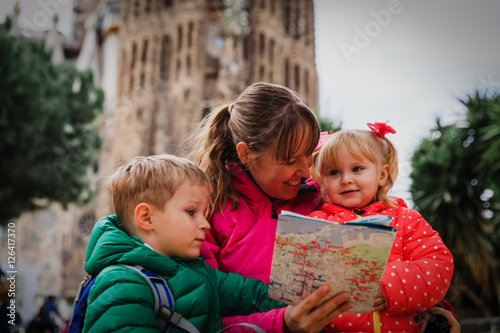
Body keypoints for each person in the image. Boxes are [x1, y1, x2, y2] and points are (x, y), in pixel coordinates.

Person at [81, 154, 351, 333]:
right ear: (146, 217)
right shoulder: (120, 283)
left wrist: (310, 298)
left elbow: (252, 295)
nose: (205, 224)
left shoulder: (196, 271)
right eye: (191, 212)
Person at [186, 81, 352, 330]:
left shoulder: (326, 193)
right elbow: (201, 315)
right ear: (246, 155)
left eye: (309, 153)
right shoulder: (207, 212)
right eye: (289, 160)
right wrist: (281, 324)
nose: (306, 170)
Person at [307, 122, 455, 332]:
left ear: (382, 175)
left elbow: (438, 266)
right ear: (322, 179)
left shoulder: (406, 220)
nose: (346, 179)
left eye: (357, 168)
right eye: (333, 172)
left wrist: (390, 286)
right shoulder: (316, 224)